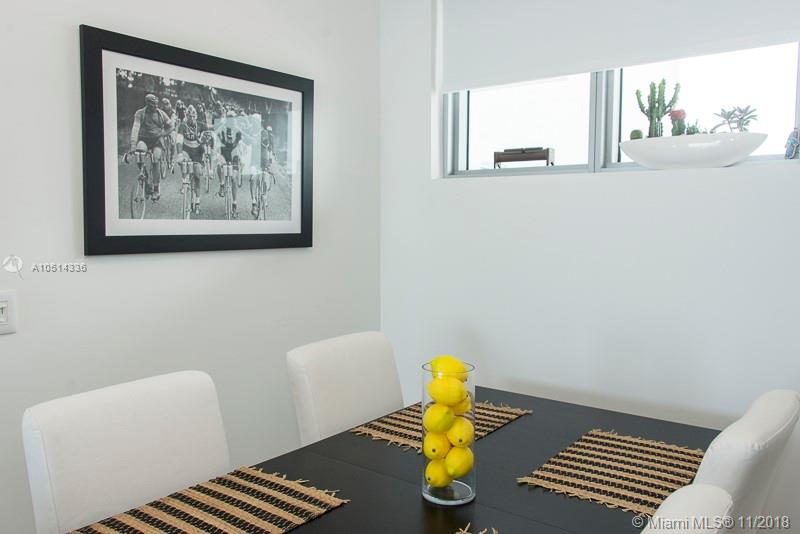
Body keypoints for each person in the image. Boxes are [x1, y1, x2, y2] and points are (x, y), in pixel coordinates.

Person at [129, 93, 173, 200]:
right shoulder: (140, 113)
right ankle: (145, 179)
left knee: (155, 159)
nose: (155, 106)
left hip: (157, 141)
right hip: (144, 139)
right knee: (139, 154)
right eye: (153, 104)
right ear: (147, 103)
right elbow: (135, 128)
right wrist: (133, 144)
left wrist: (163, 134)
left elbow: (171, 126)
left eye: (156, 104)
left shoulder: (161, 114)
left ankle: (156, 188)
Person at [176, 105, 208, 214]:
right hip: (186, 149)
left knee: (197, 176)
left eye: (194, 116)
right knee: (183, 161)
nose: (192, 118)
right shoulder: (183, 126)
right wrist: (179, 154)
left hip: (197, 152)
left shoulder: (202, 125)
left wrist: (205, 145)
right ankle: (184, 180)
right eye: (189, 116)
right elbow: (179, 140)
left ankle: (197, 201)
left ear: (196, 116)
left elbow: (206, 140)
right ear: (186, 116)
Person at [216, 112, 243, 218]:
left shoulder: (238, 130)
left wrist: (240, 157)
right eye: (229, 119)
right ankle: (222, 184)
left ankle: (234, 203)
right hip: (224, 153)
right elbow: (217, 141)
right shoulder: (221, 128)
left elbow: (240, 145)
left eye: (233, 119)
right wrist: (217, 151)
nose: (231, 121)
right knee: (218, 165)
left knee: (234, 179)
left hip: (234, 155)